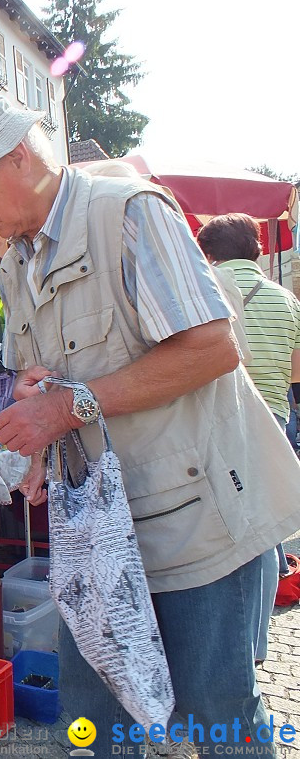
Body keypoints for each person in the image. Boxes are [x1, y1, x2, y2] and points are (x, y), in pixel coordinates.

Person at [0, 93, 300, 750]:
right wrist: (32, 397)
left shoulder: (127, 213)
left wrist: (68, 406)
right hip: (100, 531)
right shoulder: (15, 261)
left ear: (18, 157)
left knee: (216, 717)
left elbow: (214, 348)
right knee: (95, 724)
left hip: (194, 527)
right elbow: (40, 371)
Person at [197, 212, 300, 661]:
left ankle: (228, 646)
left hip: (222, 420)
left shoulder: (206, 287)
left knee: (220, 531)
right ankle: (256, 644)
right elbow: (296, 372)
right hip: (274, 419)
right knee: (262, 528)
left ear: (210, 253)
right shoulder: (288, 300)